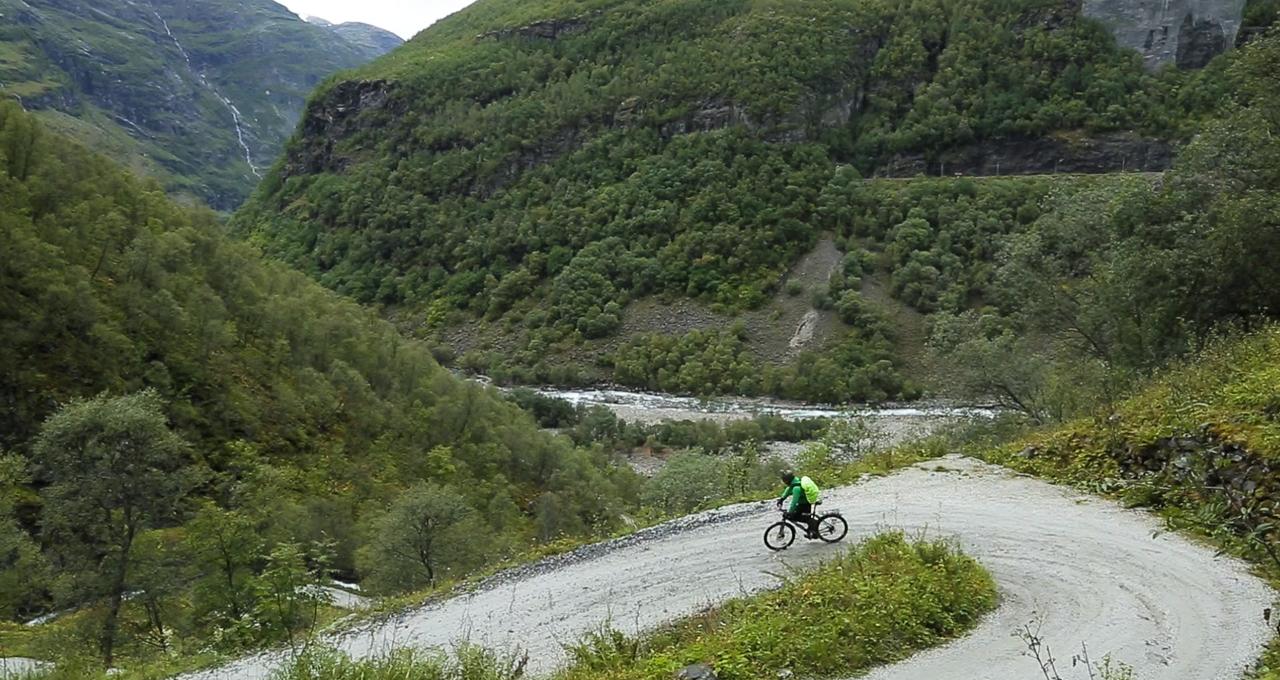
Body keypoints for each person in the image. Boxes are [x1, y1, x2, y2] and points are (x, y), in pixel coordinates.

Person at [775, 470, 820, 538]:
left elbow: (794, 502)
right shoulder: (794, 483)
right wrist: (782, 499)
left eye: (784, 480)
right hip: (802, 503)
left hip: (805, 504)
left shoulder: (796, 488)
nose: (784, 482)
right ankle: (812, 530)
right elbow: (788, 490)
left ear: (787, 480)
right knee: (797, 516)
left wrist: (790, 512)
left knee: (799, 517)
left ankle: (815, 526)